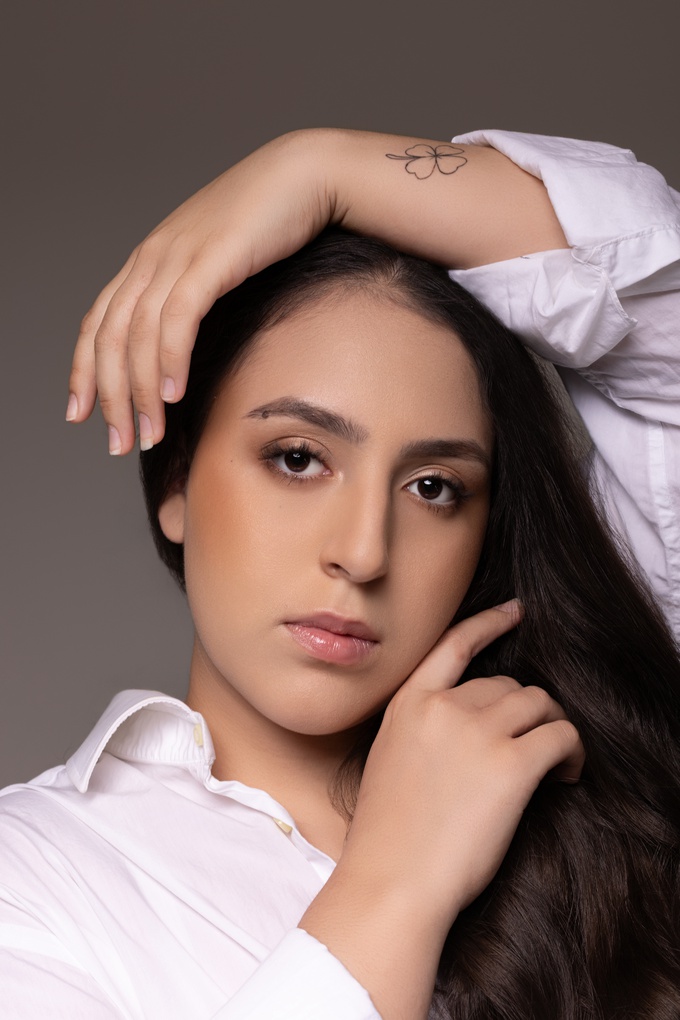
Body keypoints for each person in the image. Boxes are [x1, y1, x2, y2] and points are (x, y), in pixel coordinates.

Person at [1, 128, 679, 1020]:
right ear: (176, 481)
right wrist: (399, 884)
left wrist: (319, 169)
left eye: (434, 487)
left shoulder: (588, 792)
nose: (362, 553)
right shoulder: (34, 878)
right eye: (297, 458)